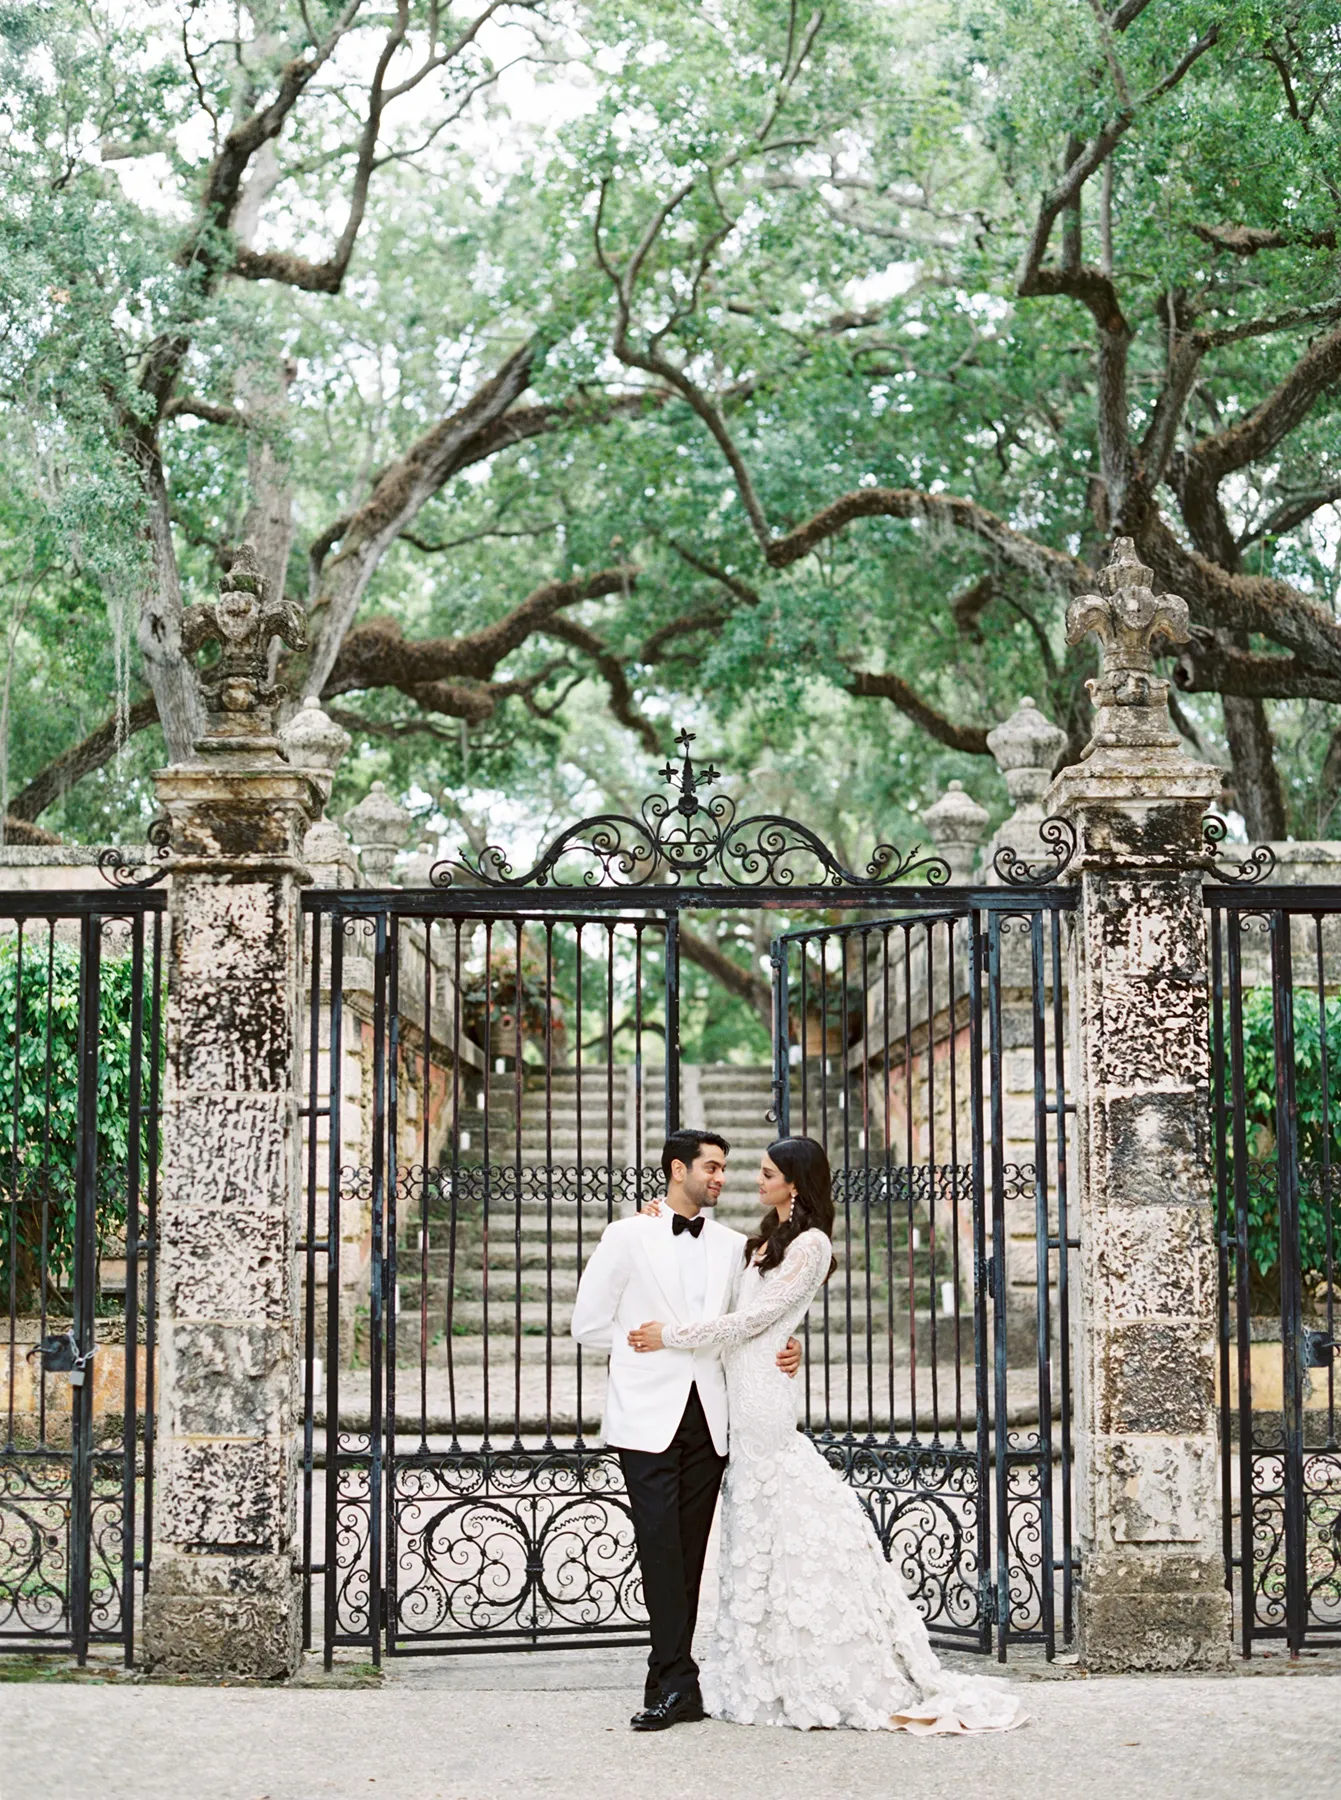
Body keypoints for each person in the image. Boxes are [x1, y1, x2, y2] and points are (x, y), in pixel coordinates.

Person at [626, 1135, 1026, 1734]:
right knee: (757, 1523)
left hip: (762, 1397)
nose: (754, 1180)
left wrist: (673, 1336)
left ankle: (815, 1655)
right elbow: (725, 1281)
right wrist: (655, 1215)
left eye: (766, 1173)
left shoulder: (811, 1244)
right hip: (734, 1387)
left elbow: (761, 1317)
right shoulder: (759, 1240)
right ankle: (762, 1658)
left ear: (795, 1181)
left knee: (783, 1510)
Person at [569, 1128, 802, 1732]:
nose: (722, 1178)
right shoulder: (628, 1234)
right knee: (658, 1546)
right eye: (713, 1168)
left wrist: (786, 1345)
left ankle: (673, 1684)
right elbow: (587, 1323)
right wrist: (644, 1344)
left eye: (726, 1169)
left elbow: (755, 1314)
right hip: (646, 1415)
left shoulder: (732, 1245)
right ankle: (675, 1679)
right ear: (679, 1170)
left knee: (690, 1552)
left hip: (712, 1418)